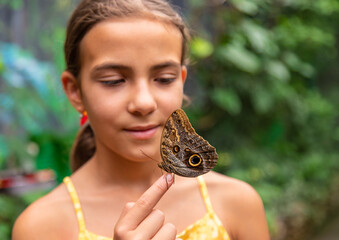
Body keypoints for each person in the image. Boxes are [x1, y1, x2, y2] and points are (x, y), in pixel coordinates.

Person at [12, 0, 270, 239]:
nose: (144, 103)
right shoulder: (40, 227)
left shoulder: (235, 204)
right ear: (75, 91)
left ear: (181, 82)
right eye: (113, 81)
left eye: (164, 79)